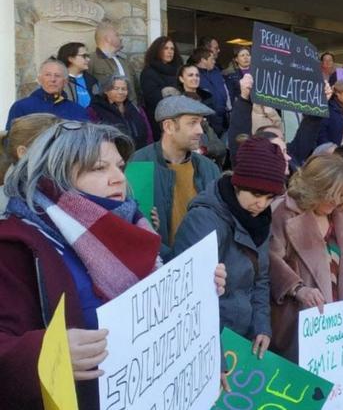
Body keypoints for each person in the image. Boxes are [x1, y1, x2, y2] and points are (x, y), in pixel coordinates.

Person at [0, 122, 162, 408]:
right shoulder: (13, 246)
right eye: (98, 168)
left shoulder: (133, 226)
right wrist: (45, 354)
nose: (118, 179)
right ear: (56, 176)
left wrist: (201, 285)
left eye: (120, 167)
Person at [173, 137, 286, 359]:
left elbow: (260, 278)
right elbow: (191, 301)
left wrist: (262, 326)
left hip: (241, 339)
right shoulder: (204, 220)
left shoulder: (260, 220)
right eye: (256, 194)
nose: (262, 204)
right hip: (209, 343)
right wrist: (214, 356)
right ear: (237, 184)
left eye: (270, 197)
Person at [267, 153, 343, 360]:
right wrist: (297, 288)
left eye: (341, 195)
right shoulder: (282, 212)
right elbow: (271, 259)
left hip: (334, 320)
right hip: (298, 320)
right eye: (331, 194)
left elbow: (339, 261)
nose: (336, 201)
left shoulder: (341, 217)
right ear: (314, 187)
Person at [129, 96, 221, 255]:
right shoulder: (140, 164)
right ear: (169, 126)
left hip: (205, 259)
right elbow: (137, 230)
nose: (200, 130)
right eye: (192, 123)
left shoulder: (209, 168)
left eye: (201, 123)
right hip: (160, 263)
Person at [0, 113, 60, 212]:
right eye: (54, 146)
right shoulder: (8, 206)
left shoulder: (51, 186)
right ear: (23, 152)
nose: (63, 153)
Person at [6, 59, 88, 130]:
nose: (52, 79)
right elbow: (11, 139)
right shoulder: (22, 107)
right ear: (40, 79)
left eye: (57, 75)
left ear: (65, 81)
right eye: (48, 75)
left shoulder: (77, 111)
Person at [86, 75, 153, 150]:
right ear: (106, 90)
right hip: (114, 154)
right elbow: (95, 137)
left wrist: (149, 150)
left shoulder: (136, 108)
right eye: (116, 88)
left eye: (124, 89)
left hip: (141, 152)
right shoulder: (95, 110)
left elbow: (149, 133)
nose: (120, 92)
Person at [140, 36, 183, 134]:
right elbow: (153, 99)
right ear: (157, 50)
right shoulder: (148, 72)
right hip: (160, 121)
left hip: (179, 118)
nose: (170, 51)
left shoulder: (178, 70)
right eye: (165, 48)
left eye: (172, 49)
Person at [91, 21, 138, 104]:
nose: (121, 38)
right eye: (117, 35)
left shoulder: (125, 62)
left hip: (131, 110)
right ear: (108, 39)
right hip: (105, 109)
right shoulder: (91, 60)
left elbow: (137, 91)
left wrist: (138, 108)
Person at [190, 47, 230, 135]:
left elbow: (224, 89)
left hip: (223, 117)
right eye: (212, 59)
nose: (214, 61)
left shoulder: (216, 71)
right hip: (208, 119)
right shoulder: (195, 75)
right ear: (203, 60)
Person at [58, 42, 100, 109]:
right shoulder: (58, 81)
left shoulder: (92, 80)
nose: (88, 59)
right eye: (84, 56)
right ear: (71, 59)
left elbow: (99, 105)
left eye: (88, 56)